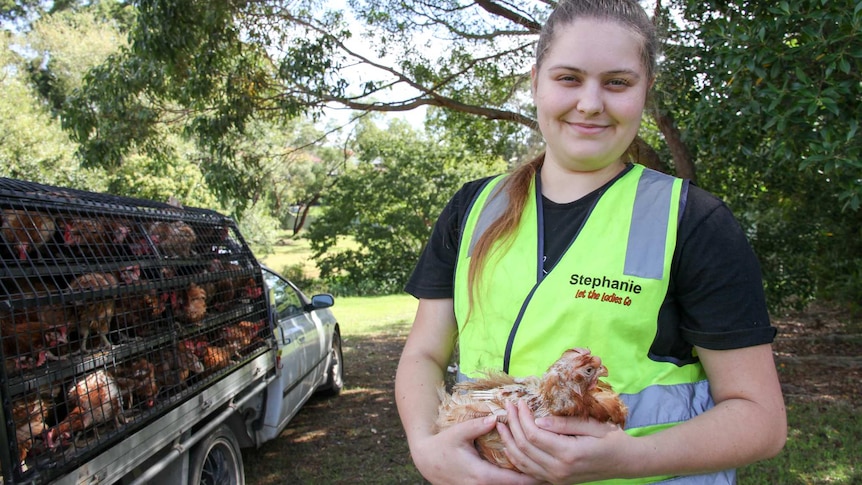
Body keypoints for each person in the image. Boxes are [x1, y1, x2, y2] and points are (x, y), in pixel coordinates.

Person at [394, 0, 787, 483]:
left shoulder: (693, 221)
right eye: (569, 78)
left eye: (617, 82)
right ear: (536, 80)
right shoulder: (473, 209)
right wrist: (425, 447)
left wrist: (630, 458)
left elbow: (761, 419)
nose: (590, 103)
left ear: (646, 91)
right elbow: (424, 355)